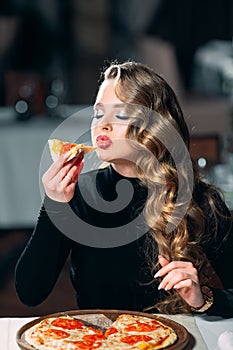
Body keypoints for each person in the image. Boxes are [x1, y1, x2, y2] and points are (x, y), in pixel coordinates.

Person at [15, 61, 233, 316]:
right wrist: (54, 205)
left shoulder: (201, 201)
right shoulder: (79, 194)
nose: (102, 125)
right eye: (98, 113)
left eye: (120, 115)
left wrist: (203, 298)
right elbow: (29, 292)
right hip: (99, 342)